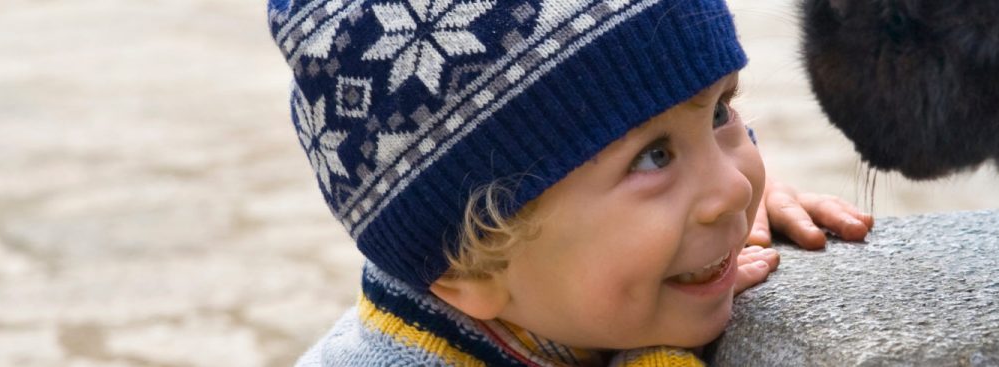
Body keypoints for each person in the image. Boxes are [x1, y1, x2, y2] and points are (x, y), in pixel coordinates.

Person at [266, 0, 873, 364]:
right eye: (653, 157)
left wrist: (716, 191)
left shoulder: (530, 284)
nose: (735, 191)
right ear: (469, 270)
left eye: (718, 112)